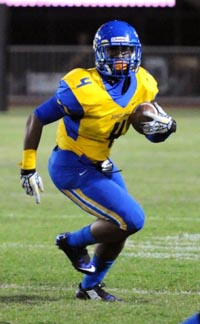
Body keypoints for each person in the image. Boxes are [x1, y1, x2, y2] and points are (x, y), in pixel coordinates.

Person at [20, 20, 176, 301]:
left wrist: (162, 129)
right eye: (114, 52)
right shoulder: (82, 87)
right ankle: (71, 242)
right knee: (132, 219)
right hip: (71, 165)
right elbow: (37, 117)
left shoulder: (144, 83)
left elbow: (149, 134)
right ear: (100, 53)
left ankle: (90, 287)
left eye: (126, 52)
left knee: (121, 228)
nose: (121, 58)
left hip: (101, 162)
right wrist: (28, 166)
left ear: (136, 52)